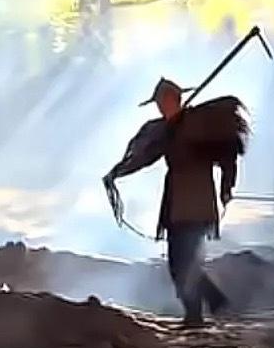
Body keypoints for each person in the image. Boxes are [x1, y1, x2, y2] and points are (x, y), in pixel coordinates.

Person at [103, 79, 247, 330]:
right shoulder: (165, 131)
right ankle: (207, 309)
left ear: (174, 100)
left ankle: (207, 310)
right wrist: (117, 173)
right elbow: (144, 157)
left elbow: (227, 155)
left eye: (162, 102)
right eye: (158, 103)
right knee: (179, 264)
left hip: (197, 202)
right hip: (176, 203)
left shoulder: (198, 125)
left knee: (184, 264)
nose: (160, 107)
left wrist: (227, 187)